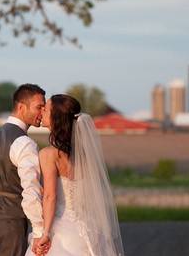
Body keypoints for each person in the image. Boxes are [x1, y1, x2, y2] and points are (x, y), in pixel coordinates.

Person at [26, 94, 124, 256]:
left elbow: (50, 196)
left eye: (47, 108)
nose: (42, 110)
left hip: (61, 229)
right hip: (87, 227)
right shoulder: (83, 156)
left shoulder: (49, 154)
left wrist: (46, 234)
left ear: (56, 118)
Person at [0, 84, 51, 256]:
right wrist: (39, 231)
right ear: (21, 107)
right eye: (39, 107)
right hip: (10, 221)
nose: (42, 112)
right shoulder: (25, 143)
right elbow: (31, 190)